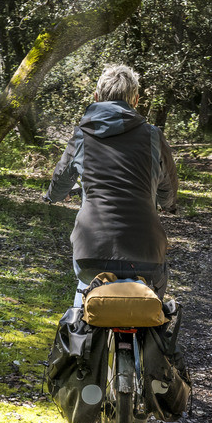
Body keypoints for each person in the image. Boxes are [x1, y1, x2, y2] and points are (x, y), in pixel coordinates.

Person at [45, 63, 179, 307]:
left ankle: (78, 334)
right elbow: (168, 186)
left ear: (96, 98)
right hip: (146, 251)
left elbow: (62, 178)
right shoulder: (153, 136)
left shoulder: (82, 135)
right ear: (136, 100)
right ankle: (153, 337)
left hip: (91, 250)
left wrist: (53, 196)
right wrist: (168, 204)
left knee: (86, 289)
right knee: (154, 301)